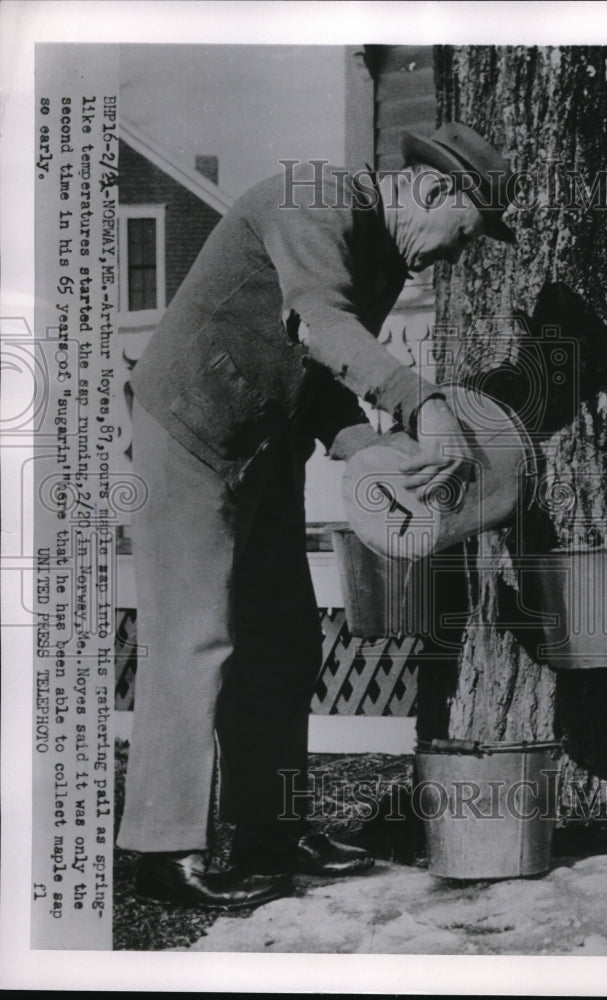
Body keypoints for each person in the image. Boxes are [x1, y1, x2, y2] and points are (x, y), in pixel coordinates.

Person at [117, 123, 516, 909]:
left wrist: (367, 446)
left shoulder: (380, 250)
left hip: (267, 443)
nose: (452, 257)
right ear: (434, 192)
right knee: (196, 637)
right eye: (461, 236)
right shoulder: (316, 201)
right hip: (190, 432)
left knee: (285, 639)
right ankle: (162, 851)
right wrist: (421, 402)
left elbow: (318, 367)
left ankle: (269, 829)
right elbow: (322, 326)